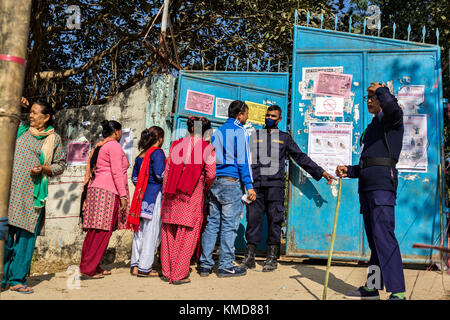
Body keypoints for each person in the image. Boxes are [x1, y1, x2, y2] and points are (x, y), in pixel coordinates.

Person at [241, 105, 336, 272]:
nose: (269, 118)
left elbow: (300, 157)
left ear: (279, 119)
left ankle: (272, 257)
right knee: (253, 219)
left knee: (274, 221)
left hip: (275, 187)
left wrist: (321, 172)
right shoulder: (255, 135)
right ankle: (250, 256)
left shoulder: (284, 138)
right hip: (256, 186)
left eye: (273, 116)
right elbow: (243, 158)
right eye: (268, 115)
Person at [336, 82, 406, 300]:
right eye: (367, 98)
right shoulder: (371, 128)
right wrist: (349, 170)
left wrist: (381, 90)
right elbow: (369, 162)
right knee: (375, 240)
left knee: (384, 237)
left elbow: (393, 107)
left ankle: (398, 291)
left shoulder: (392, 120)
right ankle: (372, 286)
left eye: (373, 98)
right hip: (366, 187)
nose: (369, 101)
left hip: (382, 187)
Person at [2, 99, 66, 294]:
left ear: (46, 117)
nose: (31, 115)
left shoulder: (53, 139)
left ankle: (17, 279)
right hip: (9, 194)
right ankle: (2, 277)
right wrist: (18, 102)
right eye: (30, 112)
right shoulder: (20, 129)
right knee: (4, 236)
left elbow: (60, 165)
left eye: (36, 113)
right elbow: (6, 117)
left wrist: (45, 168)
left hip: (32, 196)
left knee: (26, 238)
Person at [199, 100, 255, 278]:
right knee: (229, 226)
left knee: (213, 224)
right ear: (240, 115)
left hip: (215, 181)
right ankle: (225, 265)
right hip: (231, 182)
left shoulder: (218, 131)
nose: (247, 117)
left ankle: (205, 265)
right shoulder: (240, 131)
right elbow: (243, 161)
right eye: (246, 114)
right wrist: (249, 186)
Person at [160, 117, 216, 284]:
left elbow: (168, 170)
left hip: (171, 194)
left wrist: (166, 191)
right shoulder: (207, 149)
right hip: (192, 193)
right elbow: (211, 173)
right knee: (188, 234)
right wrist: (206, 184)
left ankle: (167, 271)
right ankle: (178, 274)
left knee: (169, 231)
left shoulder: (176, 145)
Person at [79, 120, 129, 279]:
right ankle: (89, 268)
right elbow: (116, 172)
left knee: (95, 230)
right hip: (107, 191)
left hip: (97, 190)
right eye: (120, 132)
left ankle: (93, 265)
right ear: (116, 132)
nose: (121, 135)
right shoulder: (113, 145)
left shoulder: (100, 146)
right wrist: (123, 195)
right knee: (101, 231)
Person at [127, 126, 166, 277]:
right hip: (154, 196)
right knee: (152, 232)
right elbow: (160, 174)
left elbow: (135, 179)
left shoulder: (140, 156)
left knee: (139, 232)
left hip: (141, 198)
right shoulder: (157, 153)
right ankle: (145, 267)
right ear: (160, 138)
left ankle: (135, 265)